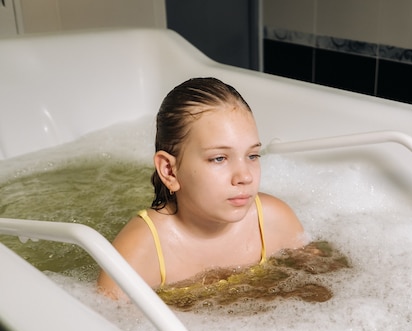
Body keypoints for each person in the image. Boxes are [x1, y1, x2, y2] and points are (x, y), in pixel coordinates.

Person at [97, 77, 305, 299]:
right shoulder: (141, 252)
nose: (244, 176)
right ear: (169, 170)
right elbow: (109, 327)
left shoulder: (274, 220)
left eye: (252, 155)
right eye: (219, 158)